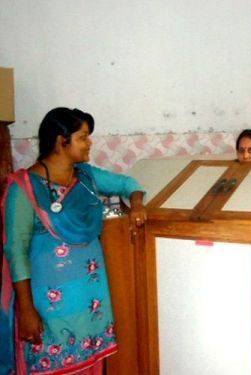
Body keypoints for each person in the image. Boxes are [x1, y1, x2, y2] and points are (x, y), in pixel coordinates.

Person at [0, 108, 147, 374]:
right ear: (61, 141)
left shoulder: (86, 177)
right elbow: (16, 251)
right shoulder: (24, 188)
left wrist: (135, 204)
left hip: (91, 300)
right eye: (83, 137)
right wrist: (26, 309)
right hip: (49, 305)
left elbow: (128, 183)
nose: (89, 142)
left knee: (90, 365)